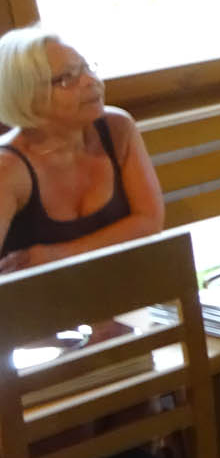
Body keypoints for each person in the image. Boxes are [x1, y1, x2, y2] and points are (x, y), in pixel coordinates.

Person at [0, 28, 165, 274]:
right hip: (43, 297)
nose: (90, 81)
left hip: (126, 280)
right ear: (26, 96)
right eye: (67, 78)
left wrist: (58, 256)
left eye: (86, 68)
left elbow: (149, 222)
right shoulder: (7, 167)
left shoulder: (117, 128)